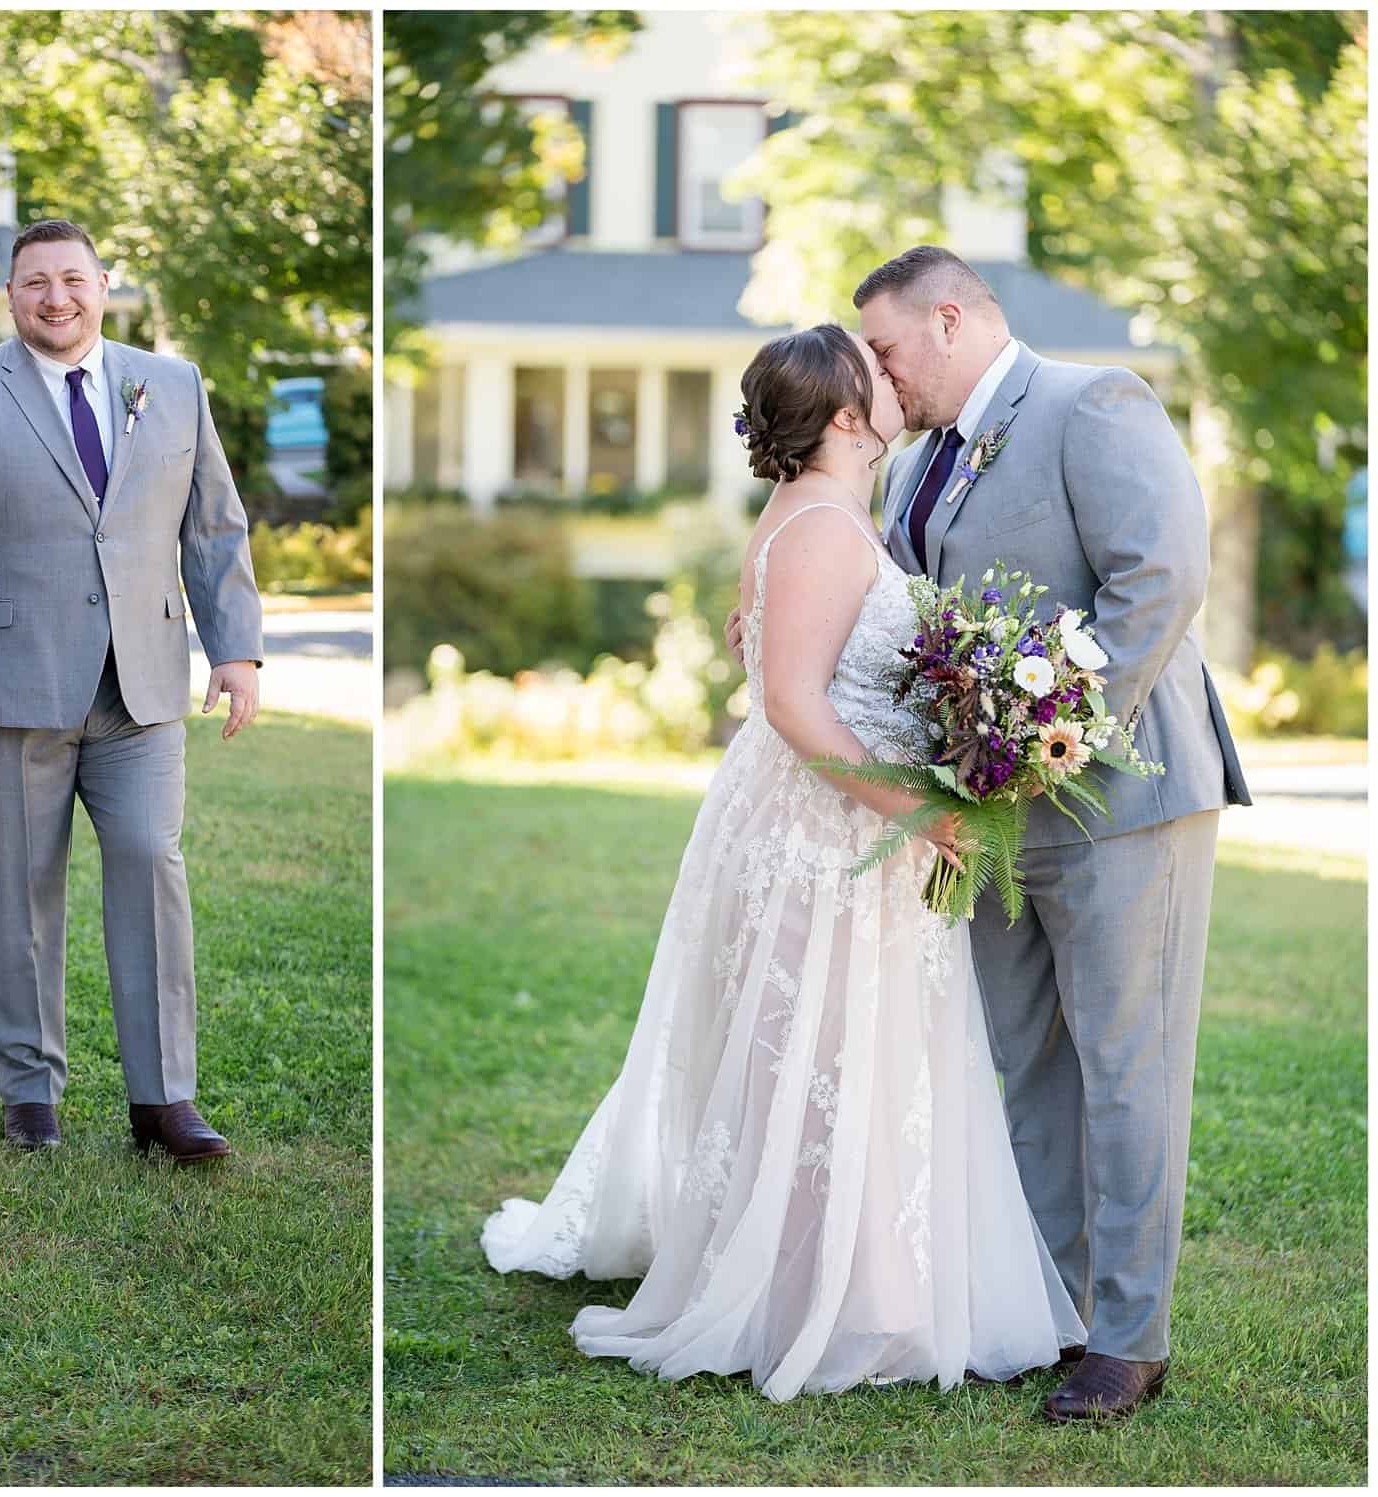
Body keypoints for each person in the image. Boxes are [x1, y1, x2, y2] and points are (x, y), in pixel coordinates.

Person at [483, 323, 1087, 1402]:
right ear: (848, 418)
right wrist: (923, 813)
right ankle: (819, 1286)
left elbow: (790, 653)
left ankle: (861, 1271)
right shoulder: (818, 524)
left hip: (829, 820)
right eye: (874, 370)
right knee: (819, 1039)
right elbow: (792, 703)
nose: (893, 375)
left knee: (836, 1042)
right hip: (825, 831)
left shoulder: (826, 512)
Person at [850, 246, 1249, 1419]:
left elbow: (1157, 578)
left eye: (882, 349)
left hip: (1122, 797)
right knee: (1023, 1059)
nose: (875, 376)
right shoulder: (917, 460)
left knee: (1125, 1070)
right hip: (981, 815)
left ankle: (1130, 1337)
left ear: (951, 318)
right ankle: (1058, 1312)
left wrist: (1054, 741)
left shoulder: (1092, 403)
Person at [0, 219, 264, 1163]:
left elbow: (213, 526)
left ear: (104, 284)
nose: (55, 298)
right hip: (10, 688)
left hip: (141, 683)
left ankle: (164, 1099)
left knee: (150, 861)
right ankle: (30, 1094)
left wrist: (238, 650)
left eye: (72, 279)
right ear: (10, 296)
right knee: (20, 890)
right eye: (34, 284)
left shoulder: (171, 385)